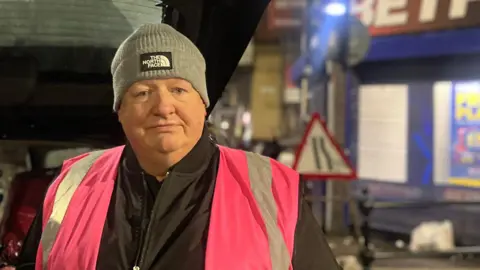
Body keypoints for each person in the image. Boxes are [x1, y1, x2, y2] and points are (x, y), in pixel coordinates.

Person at [13, 23, 340, 270]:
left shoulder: (272, 189)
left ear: (203, 104)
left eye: (179, 90)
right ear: (120, 110)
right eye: (143, 92)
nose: (163, 107)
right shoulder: (70, 185)